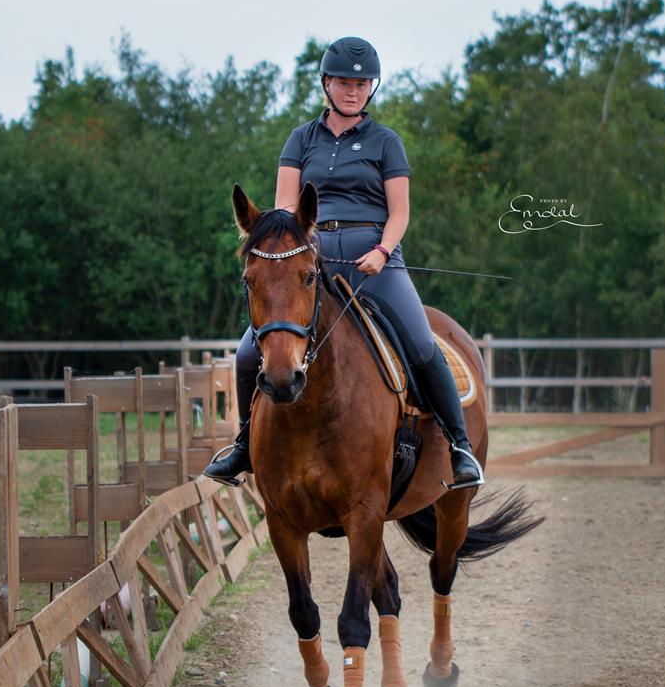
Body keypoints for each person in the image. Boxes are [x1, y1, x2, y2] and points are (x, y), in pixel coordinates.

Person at [204, 36, 483, 489]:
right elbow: (283, 211)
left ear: (370, 88)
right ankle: (241, 446)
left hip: (375, 260)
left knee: (421, 344)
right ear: (326, 84)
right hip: (310, 260)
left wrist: (382, 251)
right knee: (246, 352)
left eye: (362, 83)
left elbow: (401, 212)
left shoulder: (386, 142)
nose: (353, 90)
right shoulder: (300, 140)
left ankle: (459, 447)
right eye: (344, 82)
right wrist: (291, 255)